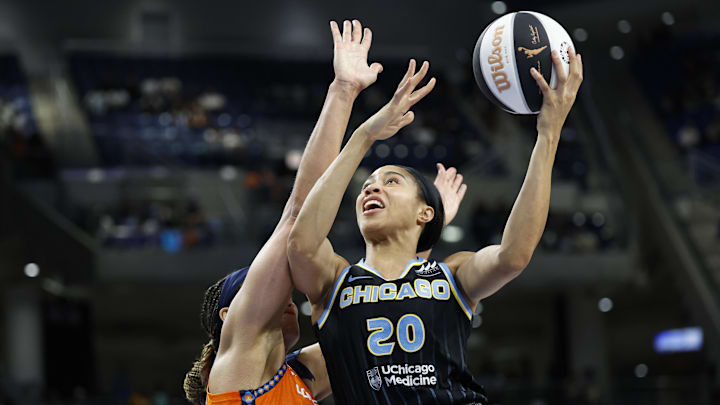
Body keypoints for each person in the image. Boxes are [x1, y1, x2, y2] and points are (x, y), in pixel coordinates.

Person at [182, 20, 468, 405]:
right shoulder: (238, 361)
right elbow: (298, 213)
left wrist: (422, 225)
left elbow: (387, 309)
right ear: (231, 315)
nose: (287, 290)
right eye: (271, 283)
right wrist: (344, 92)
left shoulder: (301, 375)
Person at [287, 48, 583, 404]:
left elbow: (513, 256)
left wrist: (548, 135)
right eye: (368, 185)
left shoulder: (451, 274)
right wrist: (365, 136)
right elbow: (301, 240)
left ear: (424, 213)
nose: (372, 187)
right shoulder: (334, 280)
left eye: (392, 181)